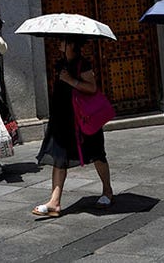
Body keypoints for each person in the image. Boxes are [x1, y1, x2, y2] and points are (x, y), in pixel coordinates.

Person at [32, 36, 114, 218]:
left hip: (82, 119)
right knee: (59, 157)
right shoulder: (61, 64)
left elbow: (92, 88)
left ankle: (107, 190)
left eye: (63, 41)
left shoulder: (82, 64)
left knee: (97, 153)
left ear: (71, 44)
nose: (59, 44)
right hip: (63, 118)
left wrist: (70, 80)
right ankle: (55, 202)